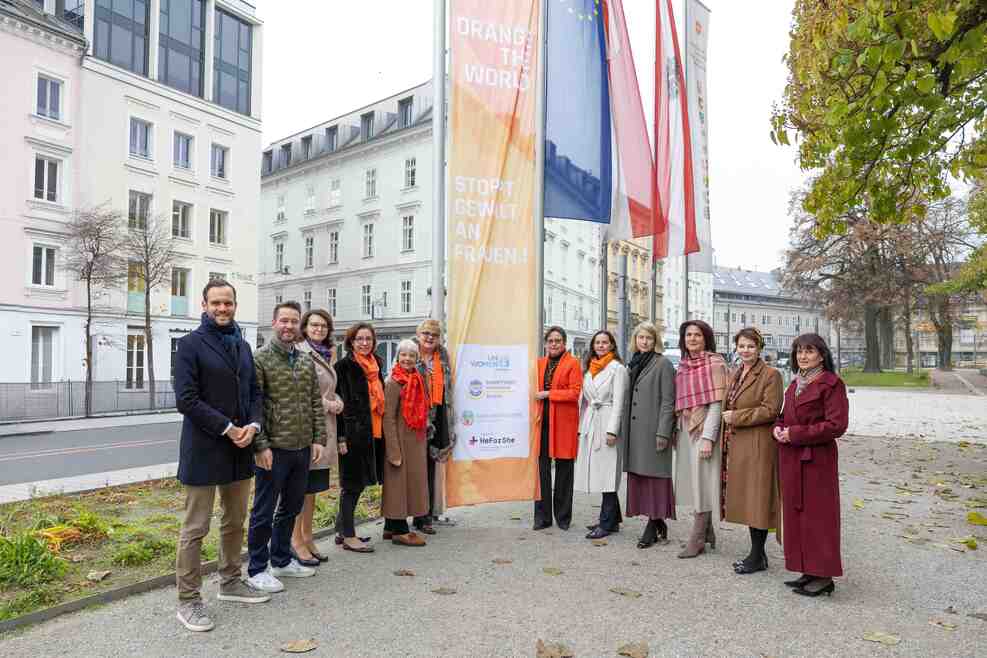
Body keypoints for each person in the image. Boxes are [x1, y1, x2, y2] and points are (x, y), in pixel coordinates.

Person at [174, 279, 269, 632]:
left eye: (227, 303)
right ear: (204, 304)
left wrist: (255, 426)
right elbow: (186, 399)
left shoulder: (243, 346)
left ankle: (230, 582)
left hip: (241, 450)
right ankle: (188, 601)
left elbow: (255, 392)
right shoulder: (189, 345)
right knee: (195, 528)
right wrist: (229, 427)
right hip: (205, 449)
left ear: (235, 305)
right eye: (216, 303)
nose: (222, 309)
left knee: (234, 522)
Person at [246, 302, 327, 592]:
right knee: (263, 510)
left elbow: (315, 402)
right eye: (284, 321)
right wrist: (260, 446)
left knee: (291, 506)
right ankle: (256, 568)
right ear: (273, 323)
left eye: (294, 321)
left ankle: (281, 559)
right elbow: (253, 404)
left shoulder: (305, 361)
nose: (289, 326)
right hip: (273, 449)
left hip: (302, 447)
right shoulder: (260, 359)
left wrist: (319, 438)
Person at [774, 333, 849, 597]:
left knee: (819, 518)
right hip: (792, 459)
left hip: (817, 461)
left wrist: (795, 434)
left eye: (809, 351)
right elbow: (783, 416)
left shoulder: (831, 384)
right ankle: (807, 569)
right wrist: (779, 429)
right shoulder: (795, 384)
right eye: (799, 351)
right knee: (797, 516)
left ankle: (824, 576)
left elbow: (836, 425)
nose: (803, 356)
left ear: (821, 354)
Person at [721, 328, 784, 574]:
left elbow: (771, 410)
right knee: (749, 499)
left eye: (750, 346)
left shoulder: (771, 375)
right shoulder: (737, 373)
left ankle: (757, 556)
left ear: (759, 348)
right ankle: (758, 555)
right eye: (742, 346)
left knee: (758, 500)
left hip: (758, 445)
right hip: (739, 444)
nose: (745, 350)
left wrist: (737, 417)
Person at [292, 309, 345, 566]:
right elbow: (300, 391)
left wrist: (337, 400)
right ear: (305, 327)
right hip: (307, 429)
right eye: (314, 325)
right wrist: (327, 404)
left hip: (323, 429)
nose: (319, 329)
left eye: (323, 325)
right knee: (298, 490)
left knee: (312, 490)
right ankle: (295, 540)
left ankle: (307, 536)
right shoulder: (301, 352)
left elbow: (328, 388)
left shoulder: (325, 353)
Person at [620, 322, 678, 549]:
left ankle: (652, 525)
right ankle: (656, 520)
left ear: (656, 342)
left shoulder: (662, 364)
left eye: (649, 339)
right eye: (641, 338)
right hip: (635, 431)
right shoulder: (633, 363)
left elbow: (668, 400)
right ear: (635, 339)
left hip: (654, 431)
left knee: (656, 478)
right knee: (640, 477)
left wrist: (664, 431)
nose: (644, 342)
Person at [674, 320, 728, 559]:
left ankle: (697, 537)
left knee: (702, 481)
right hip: (687, 427)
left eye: (697, 335)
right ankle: (707, 531)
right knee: (694, 481)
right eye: (688, 335)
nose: (693, 339)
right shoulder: (683, 366)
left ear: (706, 338)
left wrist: (708, 437)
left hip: (705, 429)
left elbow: (717, 404)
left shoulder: (715, 364)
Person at [333, 322, 384, 553]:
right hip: (352, 435)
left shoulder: (376, 365)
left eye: (368, 339)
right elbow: (340, 405)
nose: (364, 343)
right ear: (351, 342)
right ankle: (348, 536)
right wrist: (341, 437)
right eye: (359, 339)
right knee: (351, 484)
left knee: (359, 484)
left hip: (372, 431)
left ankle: (340, 530)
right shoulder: (343, 367)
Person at [575, 330, 627, 540]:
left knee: (608, 473)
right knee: (600, 471)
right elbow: (584, 400)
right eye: (598, 342)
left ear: (612, 345)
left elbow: (619, 402)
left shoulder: (618, 369)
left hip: (607, 421)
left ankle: (606, 523)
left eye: (605, 342)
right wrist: (581, 427)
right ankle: (613, 519)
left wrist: (612, 429)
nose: (601, 345)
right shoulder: (589, 369)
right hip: (592, 421)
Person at [381, 340, 431, 546]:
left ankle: (390, 527)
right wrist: (393, 449)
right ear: (398, 357)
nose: (408, 359)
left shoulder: (417, 378)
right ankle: (401, 531)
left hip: (415, 440)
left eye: (412, 355)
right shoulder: (393, 382)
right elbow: (388, 417)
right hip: (400, 440)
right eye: (404, 355)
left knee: (408, 484)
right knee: (397, 485)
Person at [533, 326, 582, 531]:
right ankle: (542, 518)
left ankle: (563, 517)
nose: (554, 344)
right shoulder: (539, 363)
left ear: (564, 343)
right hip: (542, 423)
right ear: (546, 343)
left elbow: (574, 393)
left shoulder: (573, 363)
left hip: (563, 424)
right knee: (541, 471)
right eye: (551, 340)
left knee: (564, 470)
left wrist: (548, 394)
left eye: (558, 340)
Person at [412, 319, 457, 533]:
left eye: (434, 335)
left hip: (438, 412)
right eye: (426, 333)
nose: (430, 338)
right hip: (416, 416)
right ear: (418, 334)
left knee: (430, 467)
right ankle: (413, 514)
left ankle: (426, 516)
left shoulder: (444, 355)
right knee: (416, 468)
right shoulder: (409, 351)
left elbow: (448, 386)